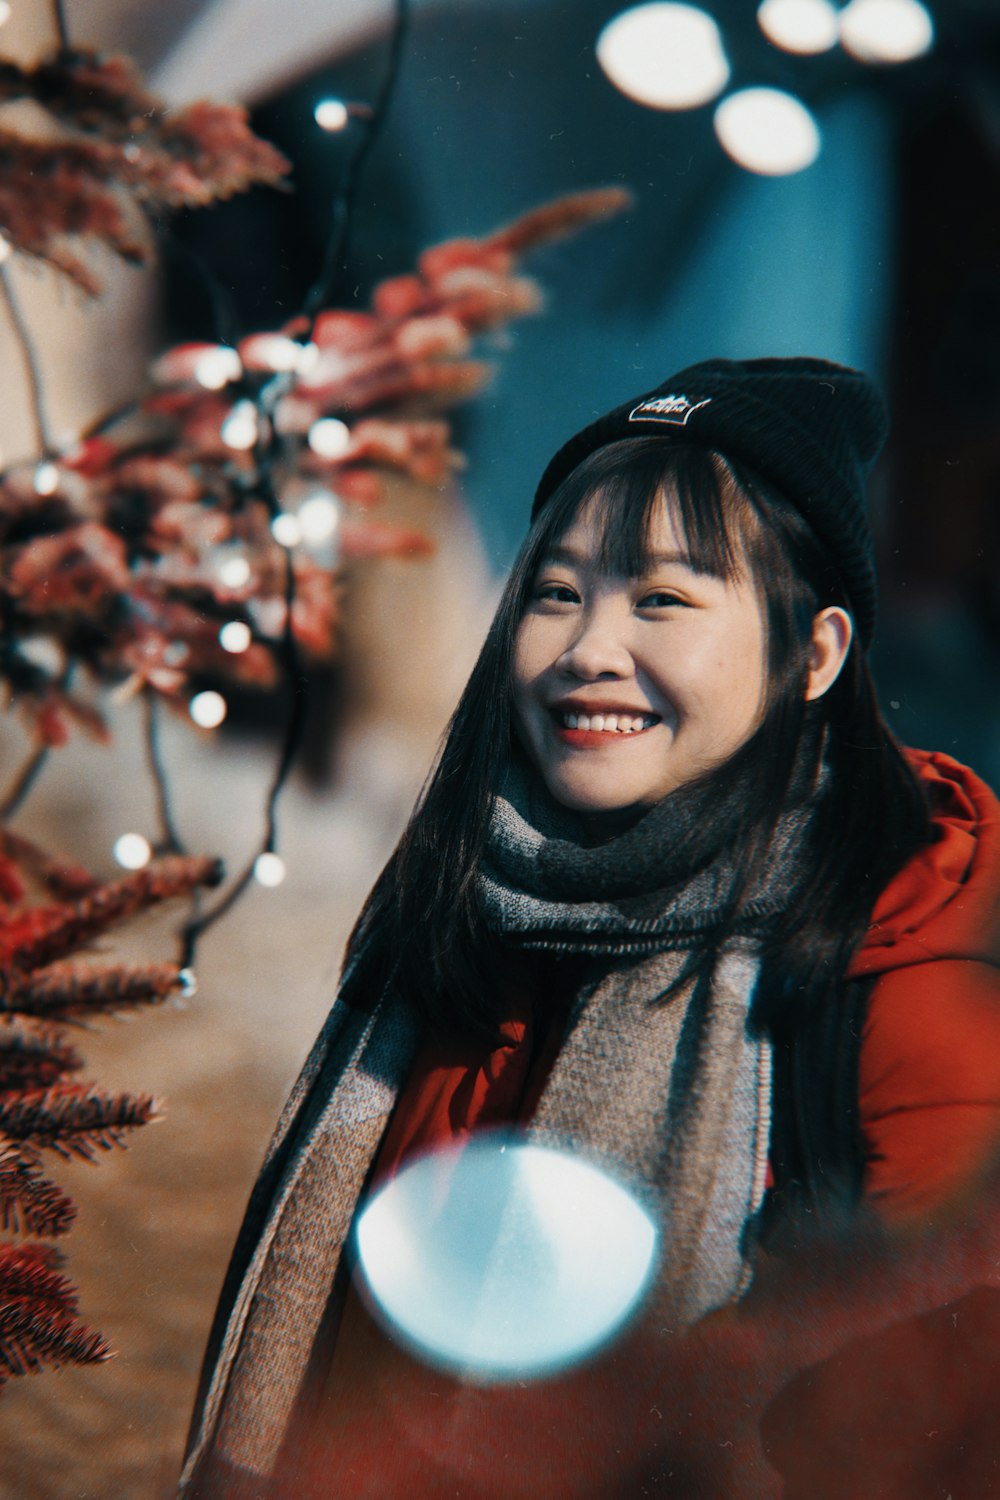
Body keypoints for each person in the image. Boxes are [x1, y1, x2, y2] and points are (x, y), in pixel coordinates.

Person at [180, 357, 1000, 1499]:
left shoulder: (906, 944)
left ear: (813, 655)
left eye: (662, 599)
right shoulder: (459, 909)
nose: (585, 650)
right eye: (557, 592)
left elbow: (926, 1384)